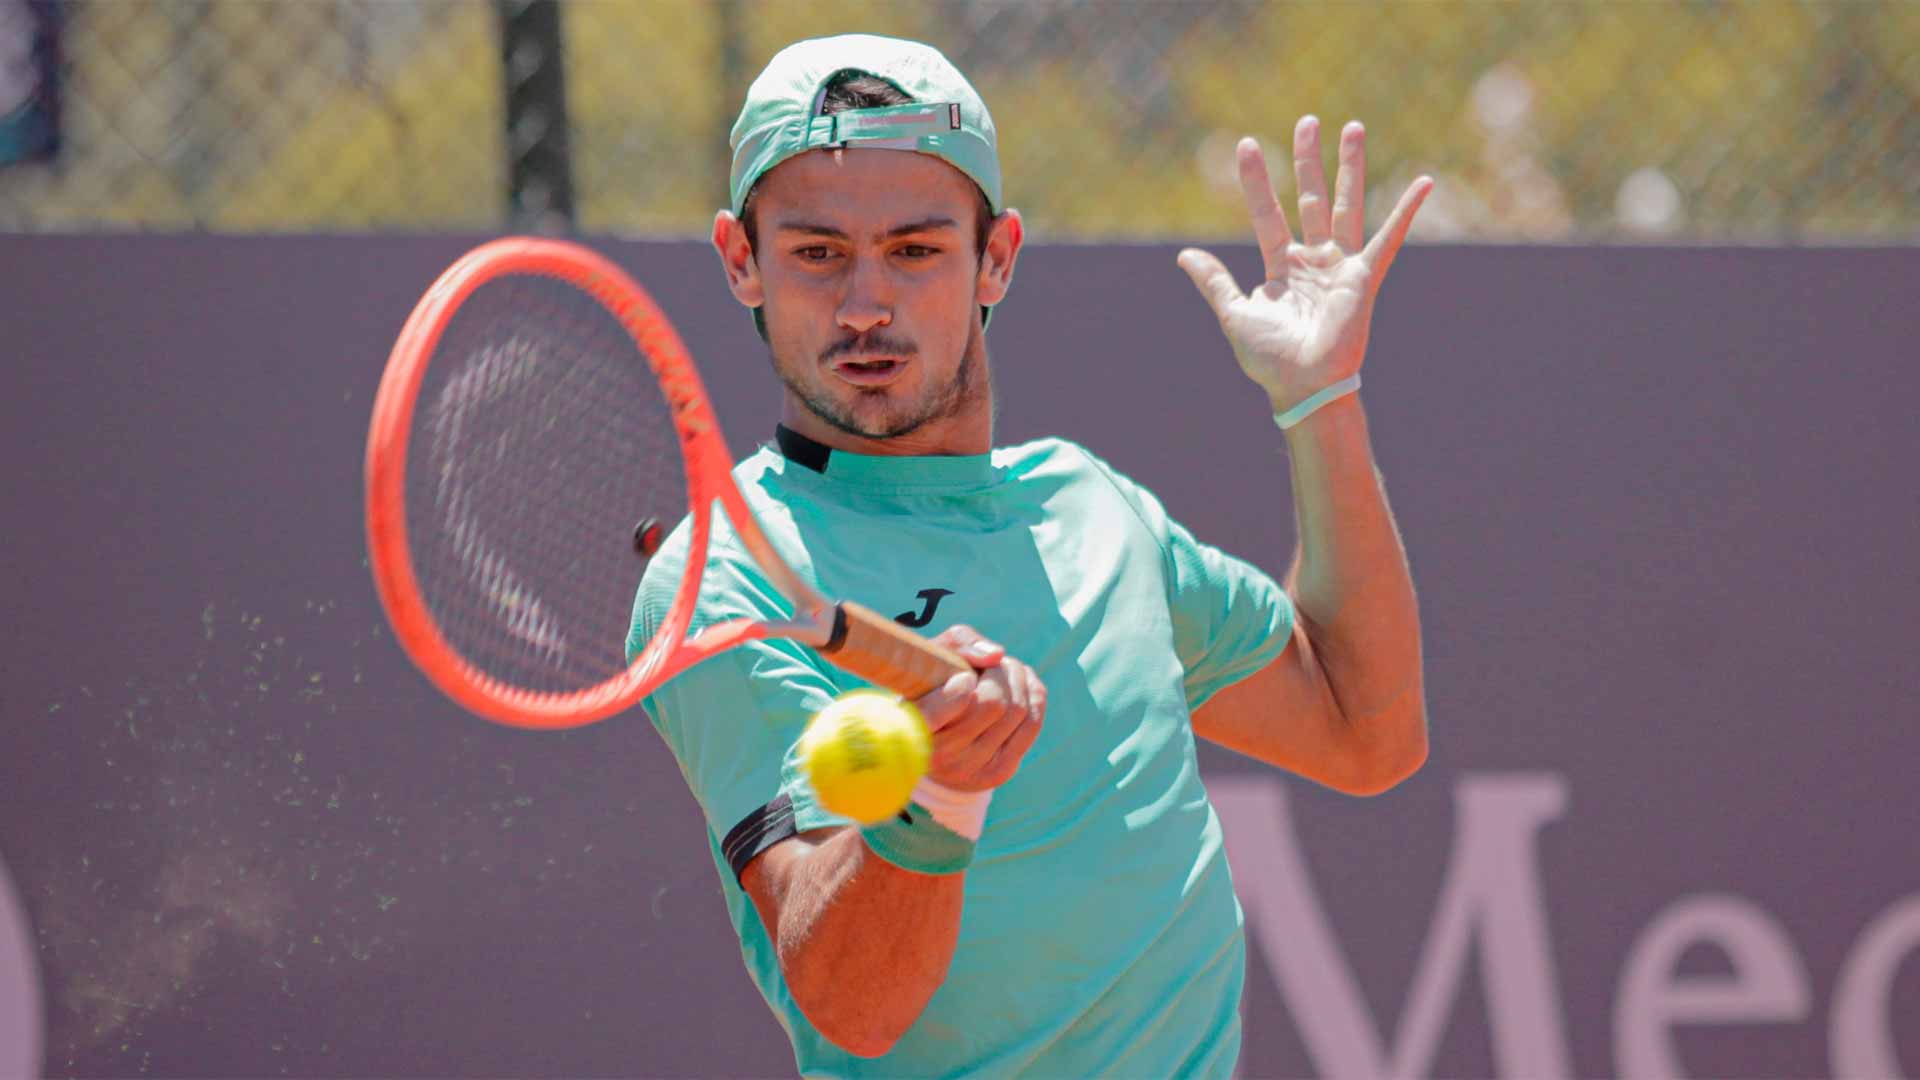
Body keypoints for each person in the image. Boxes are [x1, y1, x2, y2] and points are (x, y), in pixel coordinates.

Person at [627, 33, 1431, 1078]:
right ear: (743, 260)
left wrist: (1322, 400)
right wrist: (943, 796)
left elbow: (1363, 733)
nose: (865, 304)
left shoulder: (1095, 509)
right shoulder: (725, 575)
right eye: (818, 252)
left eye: (916, 250)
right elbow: (850, 1008)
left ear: (996, 256)